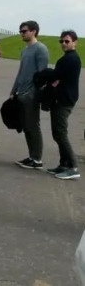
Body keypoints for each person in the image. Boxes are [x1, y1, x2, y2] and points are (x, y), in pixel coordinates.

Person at [37, 29, 81, 179]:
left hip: (64, 100)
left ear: (75, 42)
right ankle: (63, 164)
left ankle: (73, 167)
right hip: (61, 99)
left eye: (67, 41)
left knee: (60, 133)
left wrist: (46, 74)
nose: (63, 43)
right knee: (57, 133)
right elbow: (56, 77)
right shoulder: (67, 58)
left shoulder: (71, 59)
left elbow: (56, 76)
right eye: (61, 41)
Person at [11, 20, 50, 169]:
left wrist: (35, 93)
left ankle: (37, 159)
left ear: (33, 31)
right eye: (21, 31)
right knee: (26, 126)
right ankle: (31, 156)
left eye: (24, 31)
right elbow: (21, 72)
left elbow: (42, 75)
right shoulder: (25, 50)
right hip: (21, 92)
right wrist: (13, 90)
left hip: (31, 95)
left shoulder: (41, 49)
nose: (22, 33)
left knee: (33, 125)